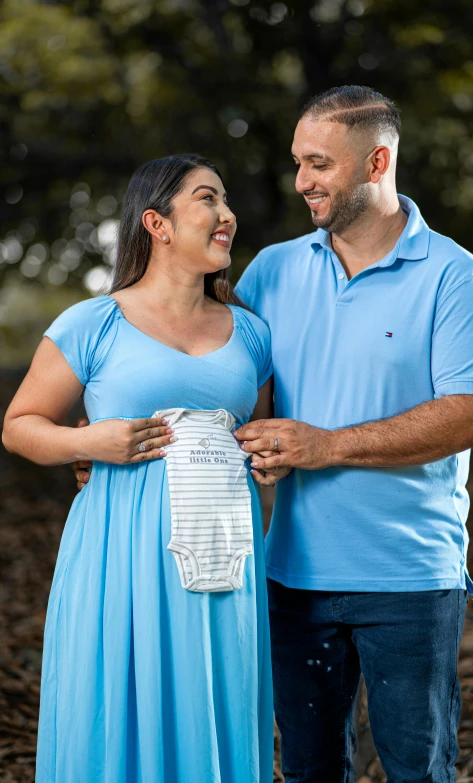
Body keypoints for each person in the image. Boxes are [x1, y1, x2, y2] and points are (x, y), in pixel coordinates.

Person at [230, 86, 473, 782]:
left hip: (409, 580)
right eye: (297, 163)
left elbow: (472, 414)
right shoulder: (272, 271)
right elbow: (236, 401)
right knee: (309, 771)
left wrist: (323, 444)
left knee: (419, 770)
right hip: (293, 576)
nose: (301, 182)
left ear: (377, 161)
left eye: (318, 164)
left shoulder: (454, 276)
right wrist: (119, 446)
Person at [2, 154, 287, 783]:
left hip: (225, 558)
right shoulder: (92, 324)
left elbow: (261, 440)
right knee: (118, 708)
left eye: (226, 200)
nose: (227, 215)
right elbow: (19, 426)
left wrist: (270, 461)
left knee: (216, 705)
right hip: (118, 555)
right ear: (156, 223)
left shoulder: (252, 334)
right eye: (208, 199)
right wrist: (93, 441)